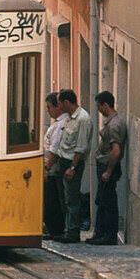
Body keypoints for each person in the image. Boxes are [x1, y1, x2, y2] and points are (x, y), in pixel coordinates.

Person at [88, 91, 127, 246]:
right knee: (102, 200)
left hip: (108, 167)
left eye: (98, 106)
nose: (98, 109)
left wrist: (108, 171)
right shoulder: (112, 122)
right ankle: (101, 234)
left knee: (108, 202)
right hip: (105, 166)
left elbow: (116, 151)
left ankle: (109, 235)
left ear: (105, 105)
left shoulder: (114, 124)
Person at [53, 89, 92, 243]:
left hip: (72, 163)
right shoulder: (69, 118)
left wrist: (73, 168)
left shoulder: (83, 119)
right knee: (65, 198)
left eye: (60, 103)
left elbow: (81, 147)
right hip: (63, 162)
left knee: (72, 198)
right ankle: (67, 229)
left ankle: (73, 232)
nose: (59, 106)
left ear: (67, 102)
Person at [42, 92, 67, 240]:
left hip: (54, 169)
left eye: (49, 107)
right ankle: (53, 229)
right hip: (52, 168)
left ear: (58, 107)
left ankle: (55, 229)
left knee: (53, 200)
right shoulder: (57, 123)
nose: (47, 110)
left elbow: (55, 149)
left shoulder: (60, 125)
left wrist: (47, 168)